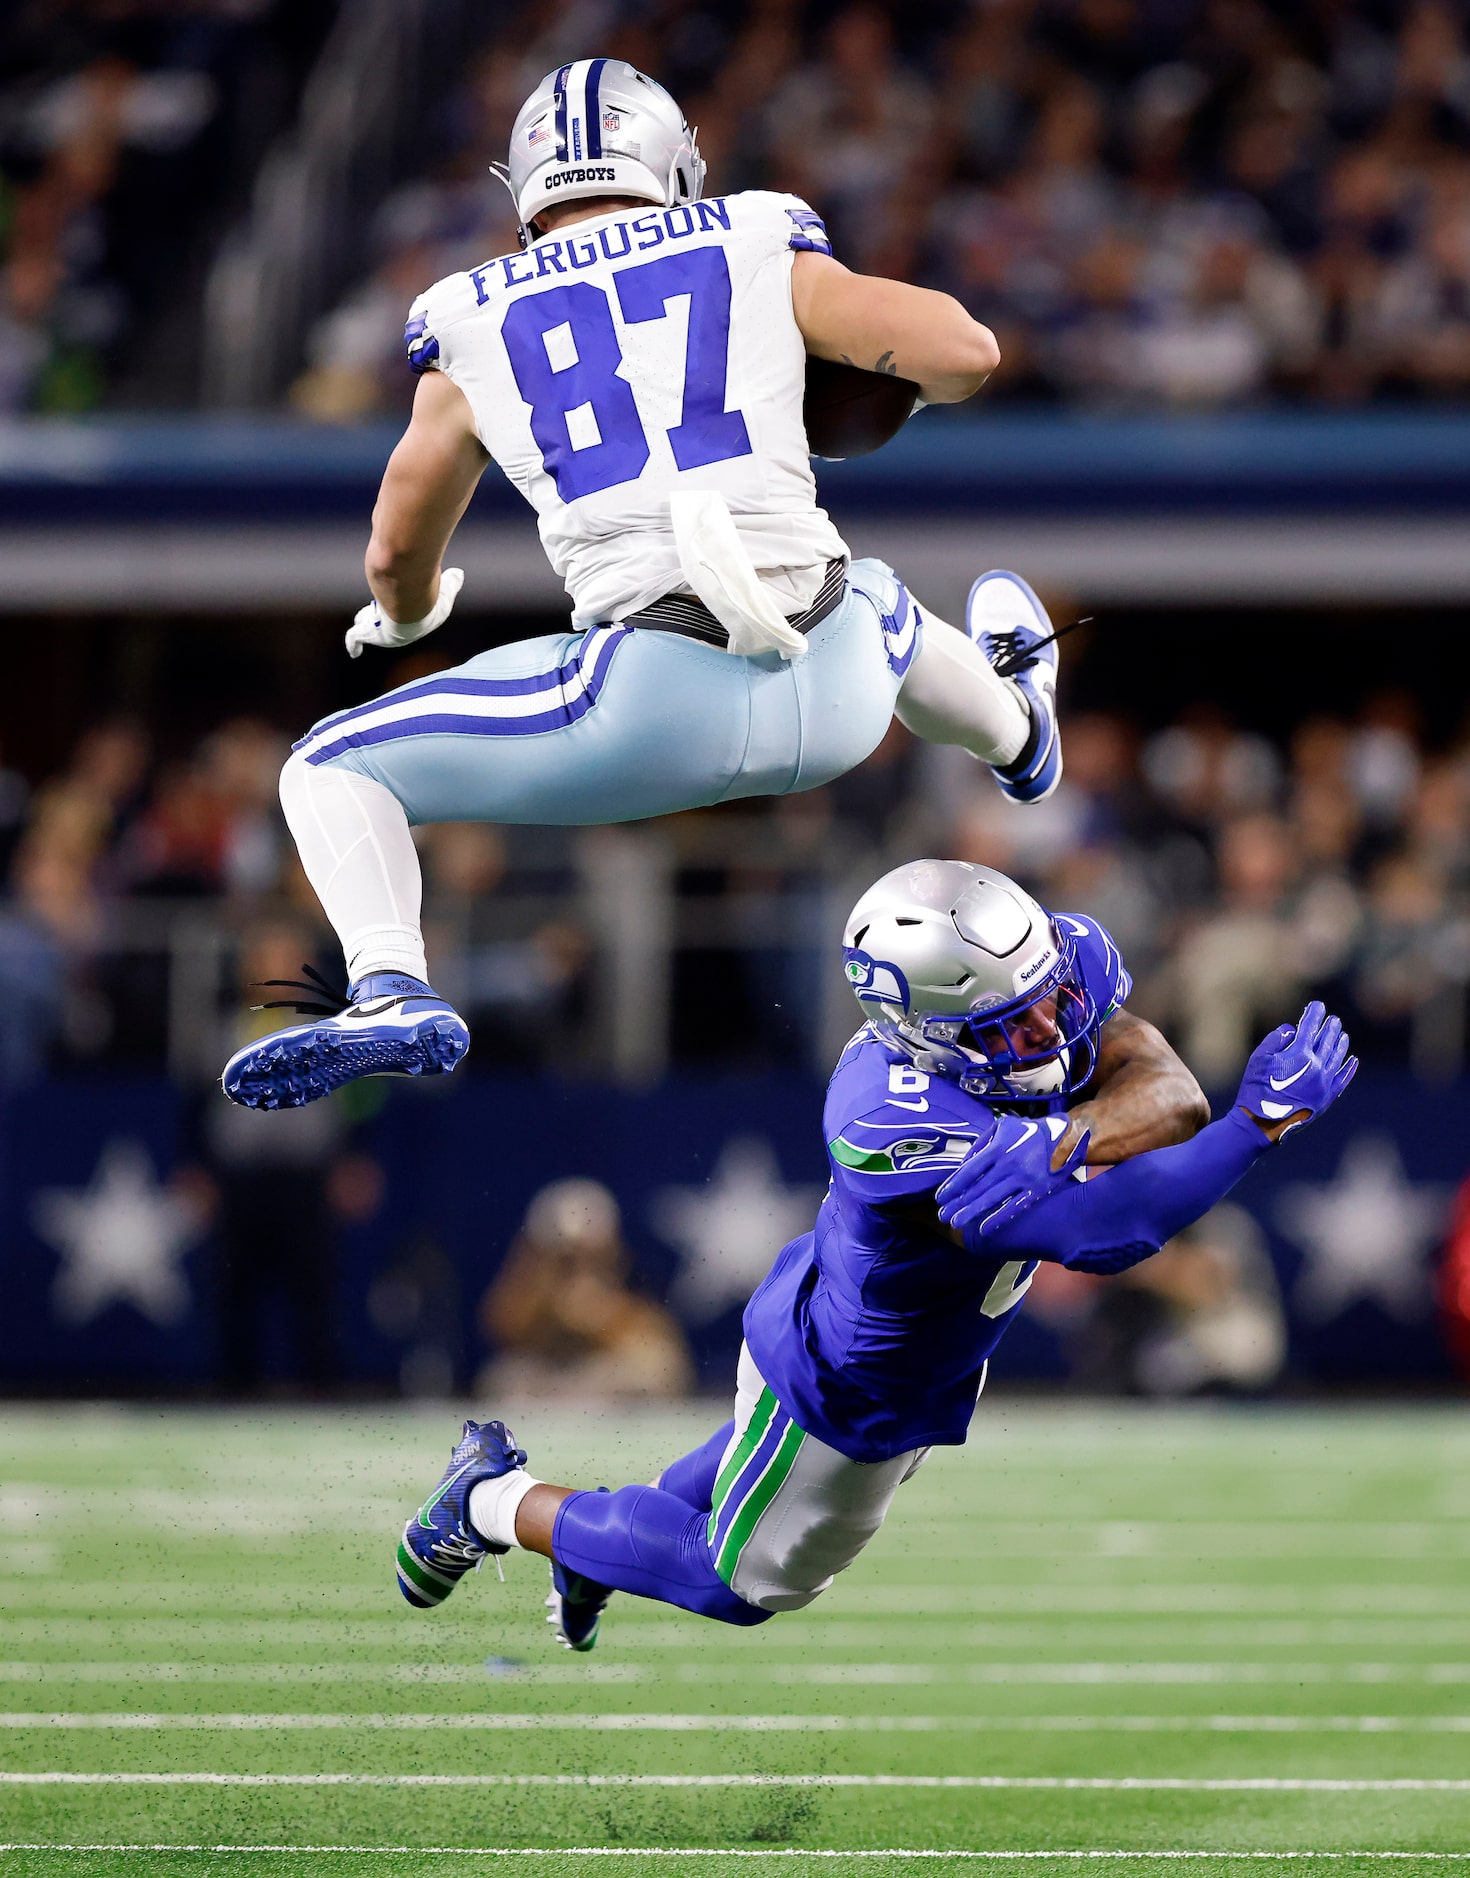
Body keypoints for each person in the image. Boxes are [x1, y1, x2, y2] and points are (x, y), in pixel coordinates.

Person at [222, 59, 1064, 1110]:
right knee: (879, 597)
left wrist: (409, 615)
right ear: (675, 161)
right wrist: (833, 383)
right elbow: (968, 351)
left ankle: (392, 980)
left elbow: (396, 548)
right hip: (843, 687)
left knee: (330, 766)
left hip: (648, 708)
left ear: (523, 183)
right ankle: (1020, 731)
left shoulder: (470, 311)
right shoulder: (755, 233)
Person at [394, 859, 1356, 1648]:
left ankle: (589, 1546)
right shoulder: (898, 1125)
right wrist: (1254, 1128)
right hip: (855, 1378)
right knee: (734, 1581)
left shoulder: (1017, 975)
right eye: (1009, 1025)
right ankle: (493, 1500)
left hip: (851, 1314)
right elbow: (1105, 1233)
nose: (1049, 1029)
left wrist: (1077, 1131)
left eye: (1049, 998)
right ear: (930, 1032)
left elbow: (1143, 1060)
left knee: (742, 1470)